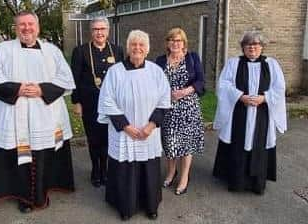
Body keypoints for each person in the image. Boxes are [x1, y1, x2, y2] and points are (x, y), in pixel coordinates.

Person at [0, 11, 76, 212]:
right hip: (14, 114)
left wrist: (42, 89)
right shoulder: (2, 50)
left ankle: (42, 190)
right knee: (18, 156)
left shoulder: (52, 51)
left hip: (45, 115)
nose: (27, 28)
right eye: (22, 24)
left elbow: (66, 79)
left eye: (30, 24)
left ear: (37, 27)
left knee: (42, 154)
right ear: (16, 28)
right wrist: (17, 89)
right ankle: (23, 197)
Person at [98, 30, 171, 220]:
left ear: (147, 49)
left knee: (149, 168)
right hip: (124, 132)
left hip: (149, 132)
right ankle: (125, 206)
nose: (137, 48)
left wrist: (151, 125)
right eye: (133, 45)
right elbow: (107, 101)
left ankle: (151, 206)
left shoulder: (156, 71)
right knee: (125, 169)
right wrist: (125, 126)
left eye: (141, 45)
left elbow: (164, 99)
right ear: (128, 48)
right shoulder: (115, 72)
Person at [212, 31, 287, 194]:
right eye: (248, 45)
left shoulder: (271, 64)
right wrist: (240, 96)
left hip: (262, 113)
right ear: (243, 47)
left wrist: (265, 98)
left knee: (258, 143)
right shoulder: (233, 63)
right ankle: (236, 181)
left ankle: (257, 183)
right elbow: (223, 84)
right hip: (239, 111)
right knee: (237, 143)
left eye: (255, 45)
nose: (252, 48)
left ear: (262, 47)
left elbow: (279, 88)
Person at [71, 17, 124, 188]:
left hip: (112, 104)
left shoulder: (117, 50)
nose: (99, 32)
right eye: (95, 29)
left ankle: (106, 170)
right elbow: (75, 79)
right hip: (90, 103)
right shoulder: (80, 51)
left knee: (109, 138)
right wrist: (76, 102)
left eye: (102, 29)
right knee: (94, 139)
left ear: (108, 31)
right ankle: (96, 169)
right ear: (91, 31)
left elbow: (123, 77)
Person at [156, 28, 205, 195]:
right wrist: (166, 94)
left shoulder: (192, 58)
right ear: (167, 43)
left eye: (179, 40)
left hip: (188, 108)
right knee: (169, 143)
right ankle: (171, 172)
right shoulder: (160, 60)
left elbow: (201, 81)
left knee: (186, 144)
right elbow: (155, 83)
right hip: (167, 109)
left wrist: (185, 91)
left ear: (184, 43)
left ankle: (184, 177)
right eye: (172, 40)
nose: (175, 43)